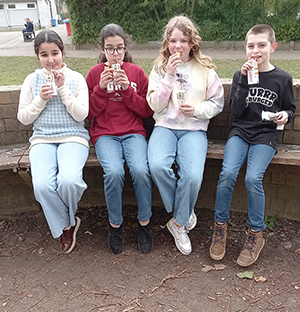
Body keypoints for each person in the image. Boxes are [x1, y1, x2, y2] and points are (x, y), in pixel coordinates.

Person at [209, 24, 296, 267]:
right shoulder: (240, 75)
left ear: (273, 47)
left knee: (252, 179)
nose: (255, 50)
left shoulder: (283, 78)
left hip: (266, 136)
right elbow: (236, 112)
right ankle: (219, 227)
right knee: (227, 173)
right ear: (245, 48)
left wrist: (285, 116)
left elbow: (290, 109)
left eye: (261, 45)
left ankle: (255, 234)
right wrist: (246, 80)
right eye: (250, 46)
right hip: (240, 132)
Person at [147, 15, 224, 255]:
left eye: (183, 40)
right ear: (167, 43)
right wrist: (169, 77)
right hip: (165, 127)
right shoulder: (160, 67)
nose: (177, 46)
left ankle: (177, 223)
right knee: (157, 166)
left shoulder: (205, 69)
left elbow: (217, 102)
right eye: (173, 41)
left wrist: (198, 110)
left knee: (191, 176)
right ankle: (184, 212)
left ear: (192, 42)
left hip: (194, 129)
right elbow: (154, 106)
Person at [17, 30, 90, 253]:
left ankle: (65, 220)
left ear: (62, 53)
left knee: (69, 181)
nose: (51, 60)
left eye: (55, 53)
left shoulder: (76, 78)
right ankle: (68, 224)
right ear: (38, 56)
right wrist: (40, 99)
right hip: (42, 139)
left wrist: (63, 90)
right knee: (42, 186)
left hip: (73, 137)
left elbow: (81, 115)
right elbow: (23, 118)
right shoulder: (32, 80)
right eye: (44, 55)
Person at [87, 23, 153, 255]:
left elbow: (146, 111)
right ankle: (116, 225)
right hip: (105, 134)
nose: (115, 54)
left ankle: (144, 224)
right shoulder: (95, 74)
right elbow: (90, 114)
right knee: (114, 172)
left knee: (140, 171)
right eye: (110, 49)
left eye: (120, 49)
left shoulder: (136, 72)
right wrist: (101, 89)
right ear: (103, 49)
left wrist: (127, 90)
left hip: (133, 132)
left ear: (125, 49)